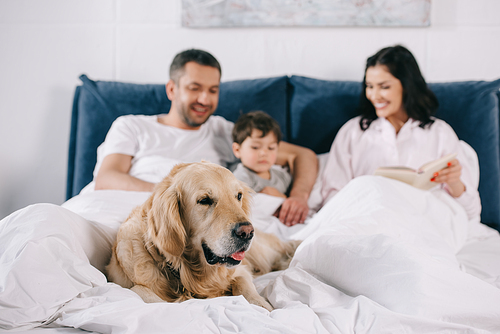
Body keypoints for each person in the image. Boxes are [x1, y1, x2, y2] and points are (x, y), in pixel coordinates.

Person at [93, 49, 318, 226]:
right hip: (129, 207)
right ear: (172, 89)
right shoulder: (132, 125)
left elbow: (303, 155)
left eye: (213, 90)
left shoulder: (222, 130)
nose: (204, 99)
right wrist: (174, 197)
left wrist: (298, 197)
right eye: (195, 88)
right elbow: (107, 178)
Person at [320, 45, 481, 220]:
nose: (374, 95)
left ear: (407, 85)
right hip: (367, 220)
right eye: (369, 86)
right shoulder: (353, 132)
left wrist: (454, 182)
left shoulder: (439, 132)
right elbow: (331, 199)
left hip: (424, 222)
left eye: (384, 87)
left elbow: (472, 213)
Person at [232, 110, 292, 199]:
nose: (264, 153)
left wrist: (282, 197)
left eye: (271, 148)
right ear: (237, 150)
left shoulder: (283, 177)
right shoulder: (240, 179)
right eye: (255, 147)